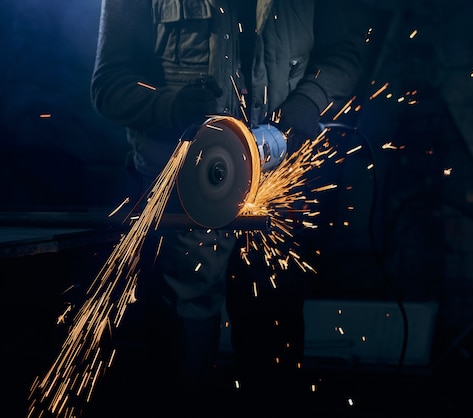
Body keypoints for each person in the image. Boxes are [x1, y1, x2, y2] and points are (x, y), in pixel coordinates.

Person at [91, 0, 370, 415]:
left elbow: (345, 53)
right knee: (181, 350)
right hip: (185, 193)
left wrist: (302, 107)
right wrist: (169, 106)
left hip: (276, 186)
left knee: (274, 345)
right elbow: (108, 85)